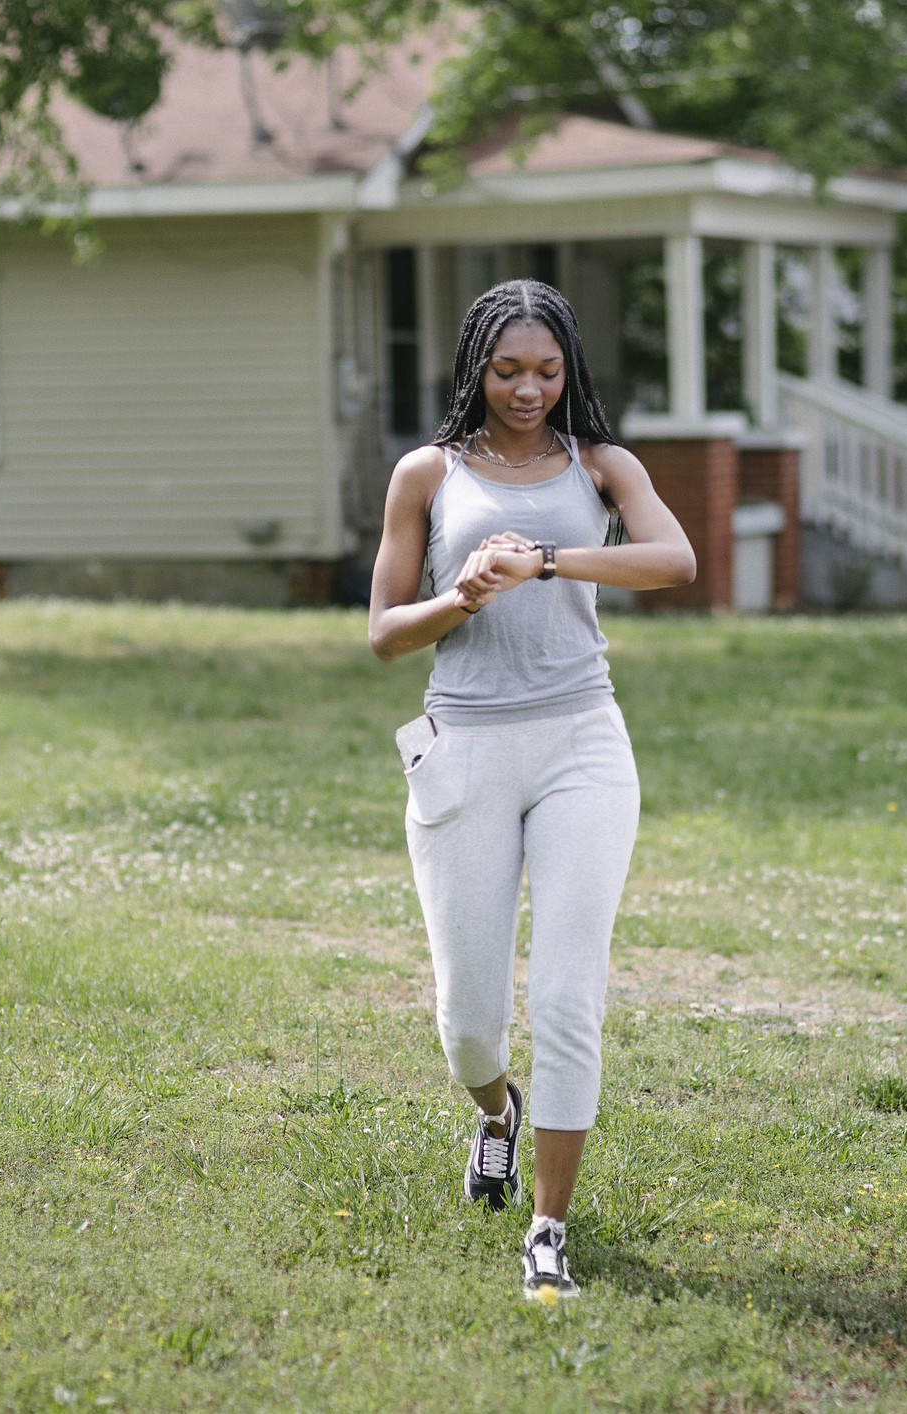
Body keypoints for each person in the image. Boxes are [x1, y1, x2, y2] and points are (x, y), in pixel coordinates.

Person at [368, 279, 696, 1300]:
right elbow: (382, 631)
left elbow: (676, 560)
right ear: (475, 365)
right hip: (463, 744)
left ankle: (548, 1228)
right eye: (508, 370)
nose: (528, 389)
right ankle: (498, 1114)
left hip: (581, 745)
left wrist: (546, 560)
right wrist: (459, 593)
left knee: (564, 994)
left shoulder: (603, 464)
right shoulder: (427, 472)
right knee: (468, 1018)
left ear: (569, 371)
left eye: (546, 371)